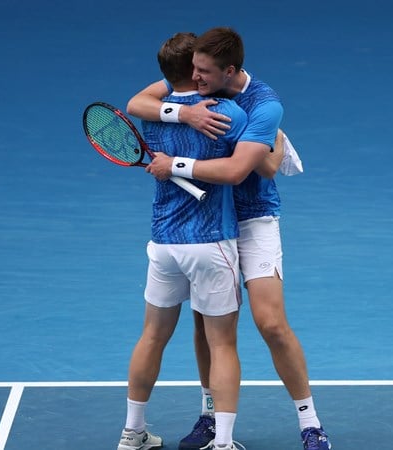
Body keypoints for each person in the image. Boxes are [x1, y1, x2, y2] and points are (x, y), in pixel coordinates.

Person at [127, 27, 332, 450]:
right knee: (206, 325)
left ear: (229, 71)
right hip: (207, 223)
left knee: (271, 323)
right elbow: (137, 104)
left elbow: (258, 170)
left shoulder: (263, 104)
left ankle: (310, 422)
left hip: (252, 219)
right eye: (193, 70)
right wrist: (185, 114)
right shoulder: (197, 78)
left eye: (203, 73)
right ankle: (209, 415)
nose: (193, 79)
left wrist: (176, 164)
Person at [116, 32, 249, 450]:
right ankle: (223, 442)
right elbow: (256, 165)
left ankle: (132, 432)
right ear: (196, 68)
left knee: (151, 337)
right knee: (223, 343)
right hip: (211, 243)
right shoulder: (226, 113)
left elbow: (138, 100)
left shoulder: (152, 115)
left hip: (164, 245)